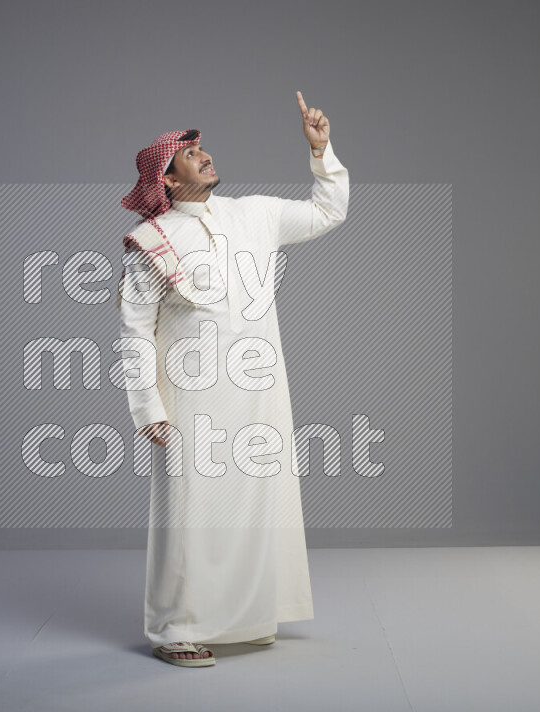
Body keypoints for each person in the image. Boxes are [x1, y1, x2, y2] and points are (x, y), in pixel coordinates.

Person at [116, 91, 349, 667]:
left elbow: (327, 212)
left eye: (204, 149)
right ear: (168, 180)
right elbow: (134, 331)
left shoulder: (255, 213)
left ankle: (246, 618)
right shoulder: (151, 242)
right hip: (189, 398)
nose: (206, 156)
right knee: (189, 511)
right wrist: (148, 409)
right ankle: (174, 629)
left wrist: (321, 152)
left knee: (256, 504)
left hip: (259, 393)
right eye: (190, 155)